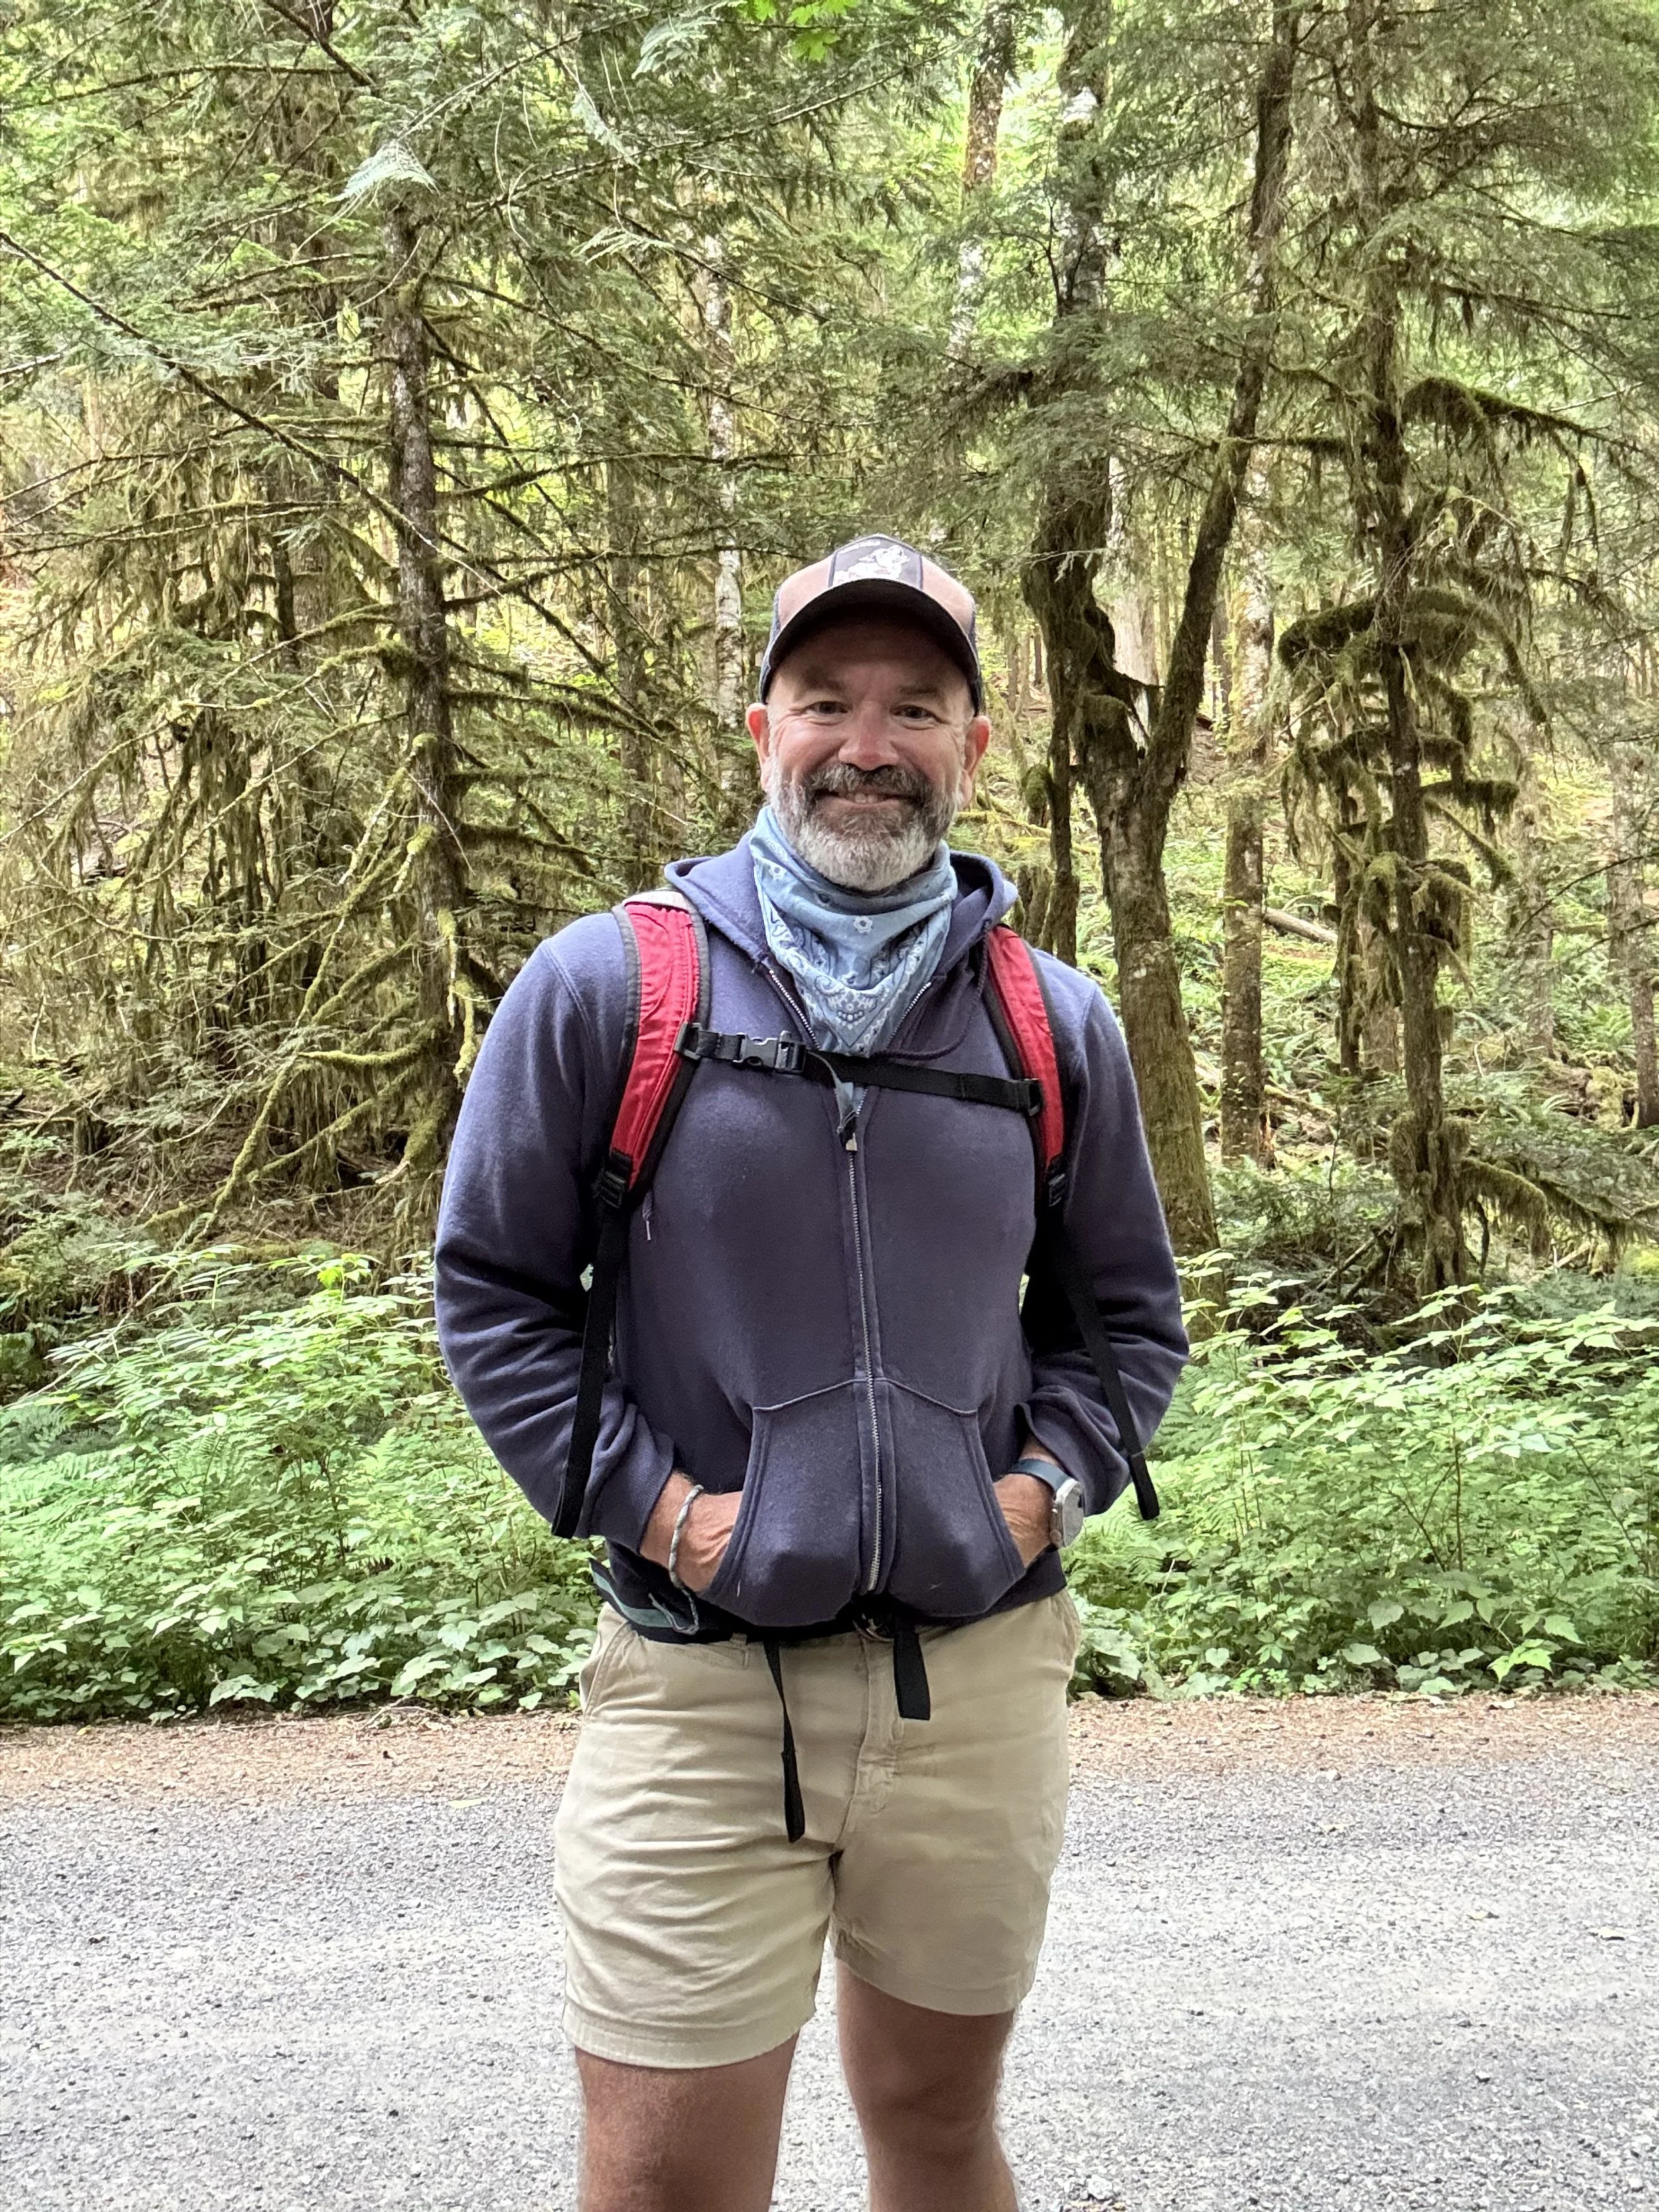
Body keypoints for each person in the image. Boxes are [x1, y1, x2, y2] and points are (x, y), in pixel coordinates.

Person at [433, 534, 1188, 2212]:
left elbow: (1126, 1322)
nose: (869, 739)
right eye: (827, 698)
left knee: (933, 2132)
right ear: (760, 725)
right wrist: (669, 1514)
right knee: (663, 2182)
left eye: (914, 704)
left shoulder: (1049, 1025)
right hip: (698, 1688)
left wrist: (1033, 1493)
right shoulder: (611, 986)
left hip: (975, 1687)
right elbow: (491, 1290)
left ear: (973, 748)